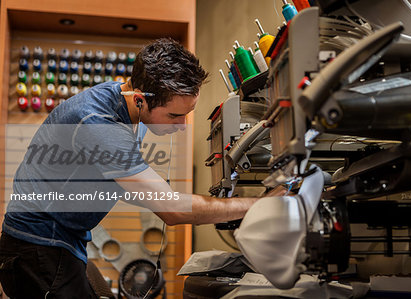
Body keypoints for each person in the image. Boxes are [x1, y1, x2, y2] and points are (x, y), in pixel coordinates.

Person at [0, 38, 260, 298]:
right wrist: (258, 204)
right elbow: (172, 210)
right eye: (174, 116)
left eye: (187, 114)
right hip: (37, 248)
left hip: (60, 241)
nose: (182, 125)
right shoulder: (100, 124)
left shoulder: (122, 102)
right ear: (140, 100)